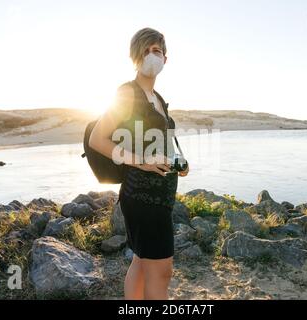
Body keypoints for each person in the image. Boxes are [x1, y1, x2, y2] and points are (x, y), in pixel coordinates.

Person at [89, 27, 189, 300]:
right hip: (141, 196)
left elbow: (160, 143)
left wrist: (178, 162)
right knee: (162, 271)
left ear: (165, 59)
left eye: (156, 51)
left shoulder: (158, 99)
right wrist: (142, 161)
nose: (151, 56)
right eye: (145, 51)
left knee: (143, 263)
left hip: (162, 196)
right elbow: (98, 139)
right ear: (136, 57)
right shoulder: (127, 93)